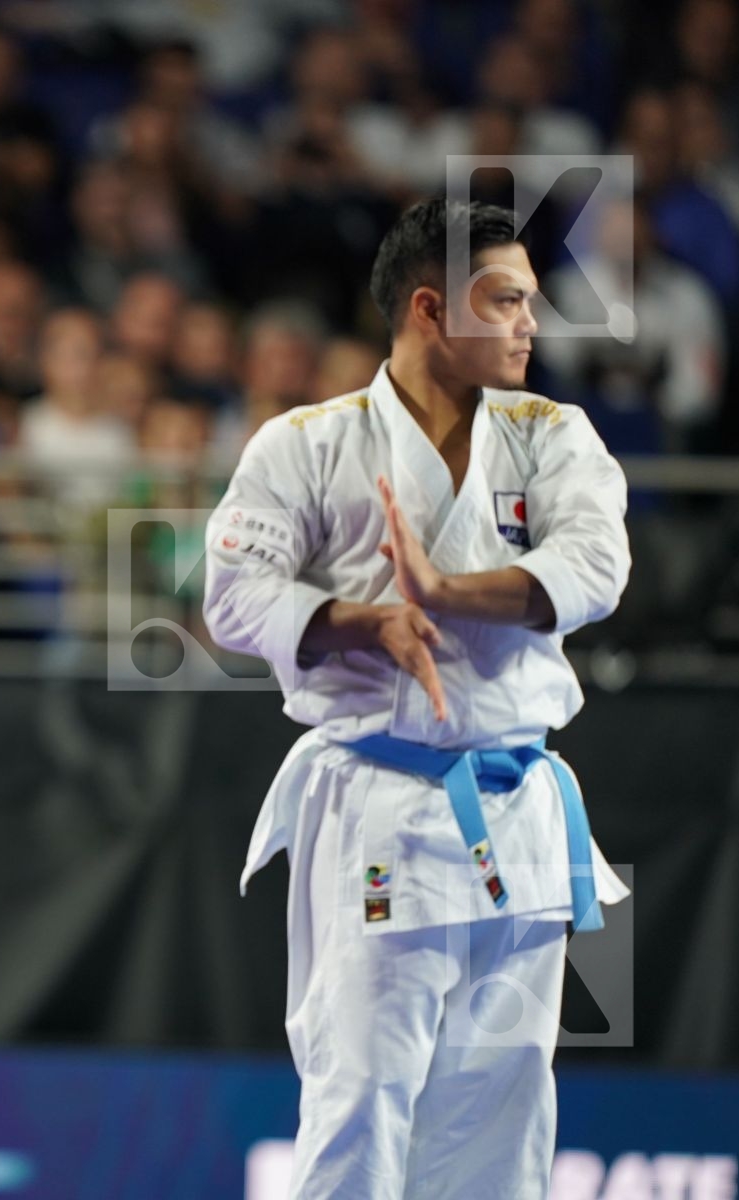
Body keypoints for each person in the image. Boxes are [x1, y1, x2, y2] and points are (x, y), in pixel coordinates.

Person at [203, 197, 632, 1199]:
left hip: (517, 805)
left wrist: (443, 595)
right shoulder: (306, 444)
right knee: (362, 1093)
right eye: (509, 300)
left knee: (506, 1100)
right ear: (431, 309)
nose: (532, 322)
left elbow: (599, 568)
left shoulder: (553, 436)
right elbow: (232, 596)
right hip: (380, 808)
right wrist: (369, 619)